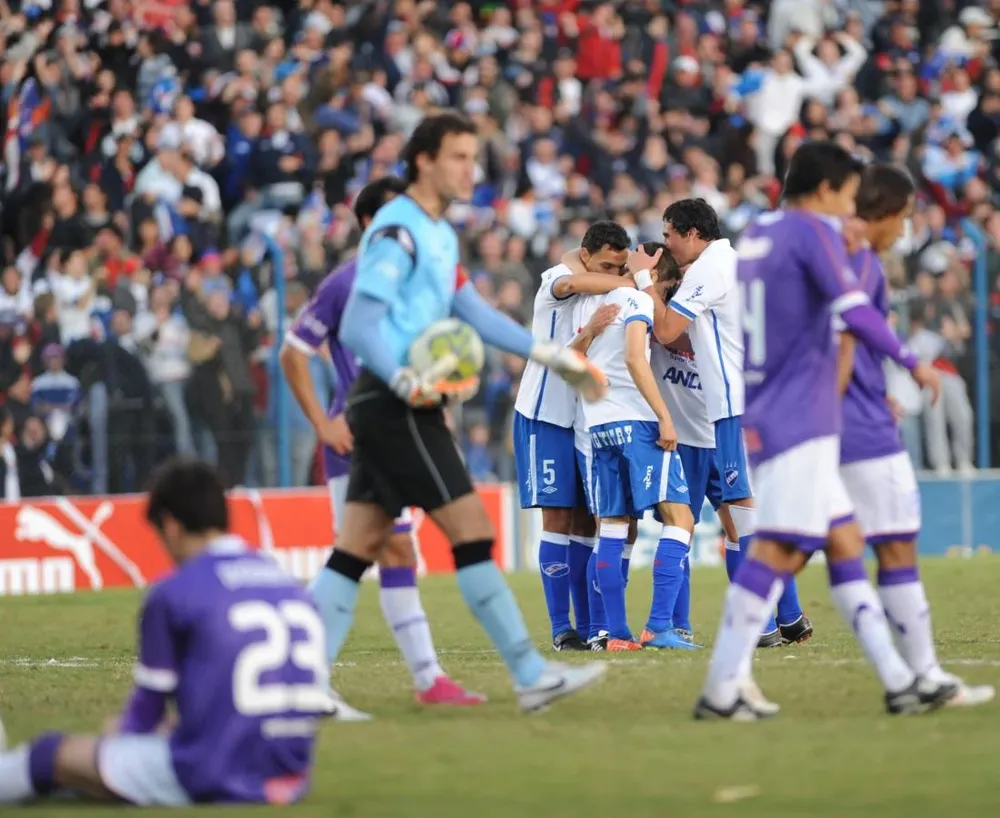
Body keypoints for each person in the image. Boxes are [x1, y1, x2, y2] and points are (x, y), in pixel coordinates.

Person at [316, 112, 608, 714]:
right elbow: (359, 326)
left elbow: (476, 314)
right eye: (458, 157)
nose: (471, 169)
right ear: (423, 161)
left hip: (391, 402)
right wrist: (407, 380)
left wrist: (554, 355)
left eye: (474, 157)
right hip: (397, 403)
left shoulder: (439, 234)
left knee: (356, 546)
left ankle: (298, 681)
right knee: (472, 530)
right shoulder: (398, 230)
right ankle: (529, 673)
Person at [695, 140, 953, 720]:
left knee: (844, 543)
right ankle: (719, 688)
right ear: (826, 189)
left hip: (764, 403)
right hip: (802, 412)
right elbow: (853, 309)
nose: (850, 207)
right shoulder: (812, 233)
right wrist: (911, 361)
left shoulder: (757, 233)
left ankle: (902, 681)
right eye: (848, 193)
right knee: (774, 551)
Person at [0, 459, 330, 806]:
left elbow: (146, 711)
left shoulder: (175, 592)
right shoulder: (289, 584)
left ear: (170, 525)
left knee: (50, 755)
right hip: (289, 772)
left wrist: (120, 735)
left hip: (211, 771)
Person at [280, 175, 484, 709]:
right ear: (371, 223)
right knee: (374, 550)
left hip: (399, 432)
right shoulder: (346, 282)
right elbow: (292, 352)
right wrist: (323, 425)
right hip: (355, 438)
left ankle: (426, 679)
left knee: (395, 551)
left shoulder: (415, 284)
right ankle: (304, 668)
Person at [837, 163, 993, 707]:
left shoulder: (830, 254)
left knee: (806, 553)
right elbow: (849, 329)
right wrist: (904, 365)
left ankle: (908, 679)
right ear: (880, 211)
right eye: (902, 217)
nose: (904, 229)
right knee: (896, 543)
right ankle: (923, 675)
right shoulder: (858, 259)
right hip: (858, 427)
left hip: (839, 416)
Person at [646, 197, 811, 648]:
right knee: (744, 514)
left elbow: (666, 331)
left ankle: (761, 623)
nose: (667, 244)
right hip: (748, 402)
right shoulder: (735, 263)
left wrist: (644, 282)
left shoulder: (708, 269)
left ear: (692, 233)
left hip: (734, 406)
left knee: (744, 514)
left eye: (669, 235)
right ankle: (786, 617)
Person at [512, 220, 634, 652]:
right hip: (544, 414)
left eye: (618, 268)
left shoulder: (605, 289)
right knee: (557, 519)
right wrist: (631, 279)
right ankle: (561, 629)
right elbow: (572, 282)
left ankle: (590, 628)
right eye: (605, 266)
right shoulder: (558, 279)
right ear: (585, 256)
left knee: (586, 521)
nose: (612, 275)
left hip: (584, 418)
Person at [569, 241, 696, 651]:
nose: (664, 297)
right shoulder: (637, 299)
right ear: (655, 276)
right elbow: (634, 359)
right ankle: (659, 626)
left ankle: (616, 634)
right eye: (667, 288)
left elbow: (571, 360)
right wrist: (664, 415)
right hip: (636, 421)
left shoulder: (596, 305)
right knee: (680, 518)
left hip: (599, 425)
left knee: (613, 527)